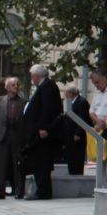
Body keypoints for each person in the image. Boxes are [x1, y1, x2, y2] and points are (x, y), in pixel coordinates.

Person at [22, 64, 62, 200]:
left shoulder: (48, 87)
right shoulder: (44, 87)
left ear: (37, 76)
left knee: (42, 163)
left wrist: (44, 128)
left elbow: (48, 110)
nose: (32, 79)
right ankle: (41, 190)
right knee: (38, 162)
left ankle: (43, 191)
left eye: (32, 76)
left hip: (43, 133)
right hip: (39, 132)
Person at [0, 77, 26, 198]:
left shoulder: (24, 101)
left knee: (18, 165)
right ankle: (0, 192)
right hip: (2, 136)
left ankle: (19, 191)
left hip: (18, 136)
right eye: (13, 84)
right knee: (1, 165)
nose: (16, 86)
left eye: (17, 84)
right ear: (7, 87)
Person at [87, 71, 107, 185]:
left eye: (97, 82)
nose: (96, 85)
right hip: (98, 128)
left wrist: (105, 123)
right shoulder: (97, 92)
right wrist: (97, 122)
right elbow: (91, 111)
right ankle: (101, 187)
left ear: (104, 78)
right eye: (94, 83)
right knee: (100, 160)